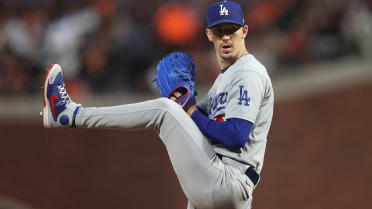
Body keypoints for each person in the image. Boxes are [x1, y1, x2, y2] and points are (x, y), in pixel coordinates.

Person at [41, 1, 274, 209]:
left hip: (227, 180)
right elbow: (193, 116)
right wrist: (185, 105)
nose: (225, 37)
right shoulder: (226, 77)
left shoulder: (248, 72)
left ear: (243, 31)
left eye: (231, 30)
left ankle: (69, 114)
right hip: (218, 181)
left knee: (164, 111)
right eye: (219, 30)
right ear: (209, 35)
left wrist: (186, 109)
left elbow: (235, 136)